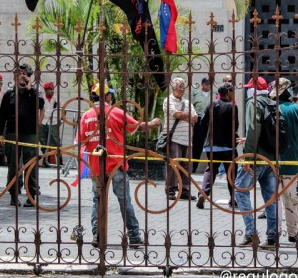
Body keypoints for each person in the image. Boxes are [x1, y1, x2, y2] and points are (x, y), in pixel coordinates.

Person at [77, 83, 161, 248]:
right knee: (125, 202)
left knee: (97, 201)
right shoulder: (115, 112)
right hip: (116, 165)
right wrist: (152, 123)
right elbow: (137, 126)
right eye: (110, 95)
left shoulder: (86, 116)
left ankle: (97, 235)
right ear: (107, 96)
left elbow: (82, 141)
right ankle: (134, 236)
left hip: (96, 166)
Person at [235, 76, 278, 248]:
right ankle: (272, 236)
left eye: (248, 87)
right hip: (271, 158)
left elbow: (254, 128)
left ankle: (251, 233)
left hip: (257, 158)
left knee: (240, 190)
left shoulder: (253, 103)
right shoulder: (273, 103)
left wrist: (247, 156)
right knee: (270, 197)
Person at [0, 64, 45, 207]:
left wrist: (30, 89)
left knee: (31, 165)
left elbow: (40, 104)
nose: (23, 78)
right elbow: (2, 116)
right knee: (13, 166)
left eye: (26, 75)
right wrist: (0, 134)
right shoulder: (8, 94)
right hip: (12, 133)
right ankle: (13, 194)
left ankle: (31, 195)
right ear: (15, 76)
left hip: (30, 134)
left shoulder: (34, 93)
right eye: (20, 74)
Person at [270, 78, 298, 243]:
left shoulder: (270, 108)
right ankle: (292, 233)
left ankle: (273, 232)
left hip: (271, 160)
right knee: (290, 199)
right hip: (291, 160)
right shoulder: (296, 109)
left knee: (272, 199)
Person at [197, 82, 238, 209]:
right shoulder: (232, 106)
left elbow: (203, 122)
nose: (233, 93)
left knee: (211, 169)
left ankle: (203, 192)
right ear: (228, 92)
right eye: (232, 91)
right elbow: (235, 126)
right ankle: (234, 198)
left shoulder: (211, 104)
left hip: (211, 145)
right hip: (228, 146)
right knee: (231, 172)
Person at [163, 77, 198, 201]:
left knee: (187, 165)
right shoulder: (168, 100)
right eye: (179, 87)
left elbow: (195, 118)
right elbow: (176, 114)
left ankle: (185, 190)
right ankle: (171, 189)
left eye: (183, 87)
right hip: (174, 138)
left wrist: (184, 115)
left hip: (187, 139)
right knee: (174, 165)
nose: (182, 90)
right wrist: (186, 115)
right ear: (173, 87)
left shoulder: (188, 102)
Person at [191, 77, 212, 173]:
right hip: (199, 119)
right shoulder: (196, 94)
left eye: (209, 84)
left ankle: (212, 167)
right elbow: (192, 107)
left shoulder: (214, 94)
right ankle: (193, 167)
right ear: (202, 84)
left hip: (211, 120)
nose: (208, 86)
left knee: (212, 143)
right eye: (206, 84)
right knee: (197, 144)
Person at [40, 82, 60, 166]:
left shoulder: (56, 98)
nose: (52, 91)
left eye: (53, 89)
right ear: (45, 90)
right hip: (43, 122)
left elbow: (62, 110)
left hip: (54, 122)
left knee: (55, 141)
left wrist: (60, 120)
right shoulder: (41, 98)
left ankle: (59, 160)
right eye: (50, 89)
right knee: (43, 141)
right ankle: (45, 160)